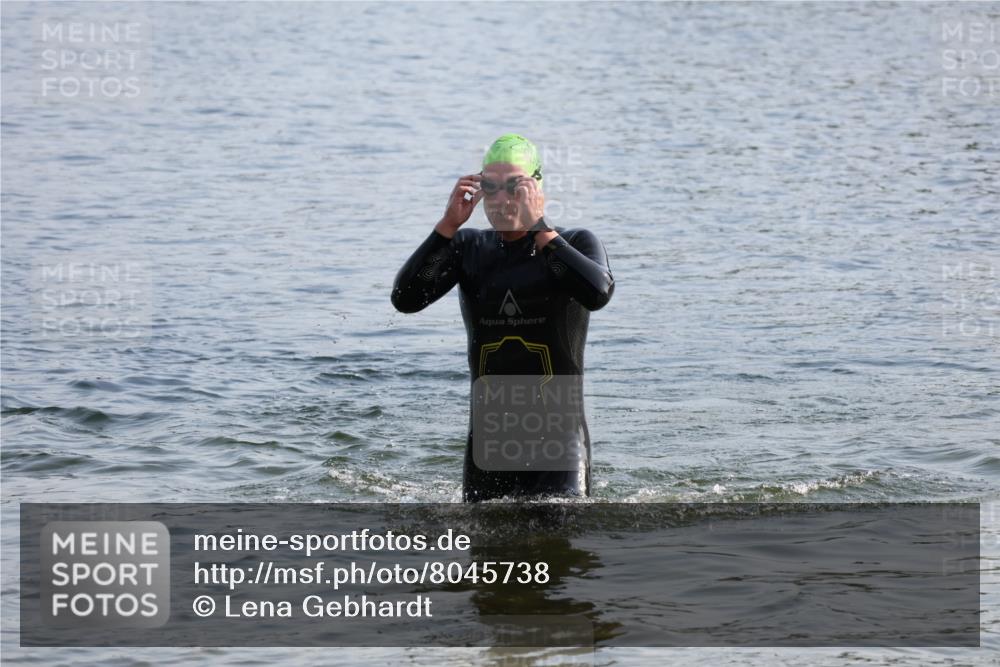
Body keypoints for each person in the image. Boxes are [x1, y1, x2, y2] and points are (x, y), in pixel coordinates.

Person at [391, 134, 614, 502]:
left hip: (559, 445)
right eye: (489, 187)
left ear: (536, 187)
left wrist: (540, 226)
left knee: (558, 546)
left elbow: (598, 293)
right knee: (485, 553)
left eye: (515, 186)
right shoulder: (467, 248)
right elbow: (406, 299)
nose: (501, 198)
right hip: (488, 443)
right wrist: (447, 226)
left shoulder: (574, 243)